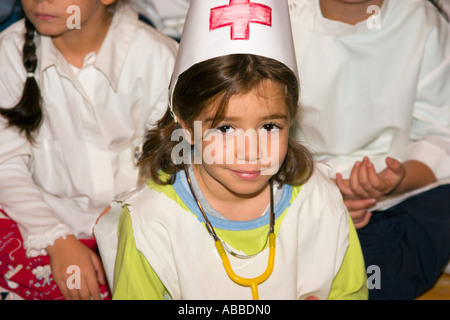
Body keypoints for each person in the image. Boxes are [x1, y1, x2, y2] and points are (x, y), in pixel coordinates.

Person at [104, 0, 367, 300]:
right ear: (187, 127)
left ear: (292, 119)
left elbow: (350, 292)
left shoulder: (320, 202)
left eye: (269, 126)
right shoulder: (152, 223)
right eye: (225, 128)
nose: (250, 151)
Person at [0, 0, 177, 300]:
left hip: (136, 223)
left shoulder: (158, 57)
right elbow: (6, 164)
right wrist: (58, 240)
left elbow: (171, 167)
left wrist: (122, 227)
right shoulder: (9, 52)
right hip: (43, 217)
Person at [288, 0, 450, 299]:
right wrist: (317, 195)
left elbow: (439, 133)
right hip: (293, 191)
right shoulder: (275, 19)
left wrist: (392, 182)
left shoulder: (420, 17)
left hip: (393, 198)